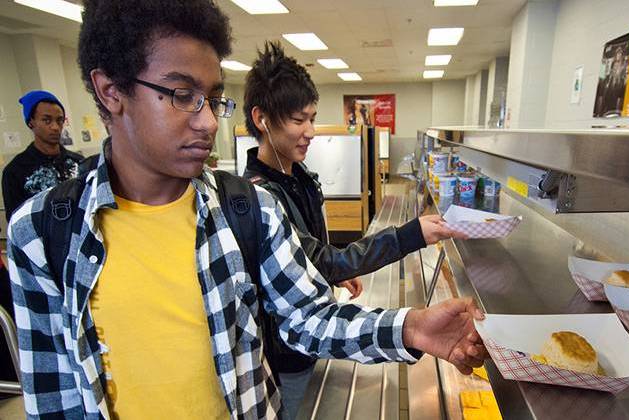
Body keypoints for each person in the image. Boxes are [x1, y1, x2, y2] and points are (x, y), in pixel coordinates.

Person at [7, 1, 487, 419]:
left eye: (213, 99)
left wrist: (410, 327)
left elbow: (310, 318)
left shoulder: (246, 211)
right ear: (111, 91)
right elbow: (55, 396)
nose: (208, 121)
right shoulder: (44, 232)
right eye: (182, 95)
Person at [242, 41, 468, 419]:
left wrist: (332, 274)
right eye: (299, 120)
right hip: (289, 353)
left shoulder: (298, 177)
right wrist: (407, 236)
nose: (311, 131)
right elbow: (319, 259)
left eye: (312, 117)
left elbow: (312, 254)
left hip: (319, 327)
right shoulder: (259, 197)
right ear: (262, 119)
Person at [2, 90, 84, 221]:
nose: (55, 127)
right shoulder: (16, 171)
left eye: (60, 120)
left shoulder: (79, 162)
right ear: (31, 122)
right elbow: (15, 222)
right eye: (47, 120)